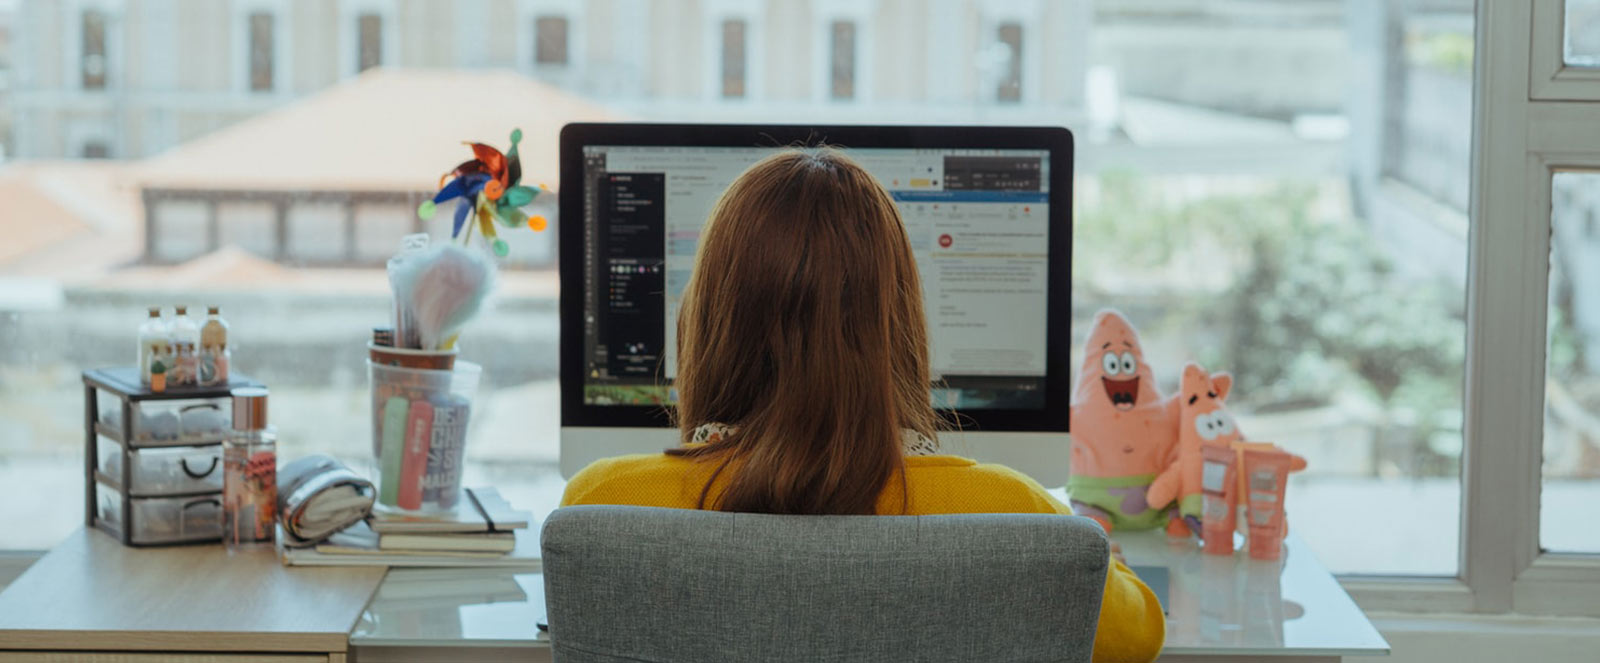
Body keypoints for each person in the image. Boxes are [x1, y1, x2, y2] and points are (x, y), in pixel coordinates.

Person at [562, 148, 1165, 662]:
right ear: (898, 325)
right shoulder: (1020, 519)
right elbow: (1138, 637)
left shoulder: (604, 506)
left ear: (706, 322)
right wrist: (1095, 547)